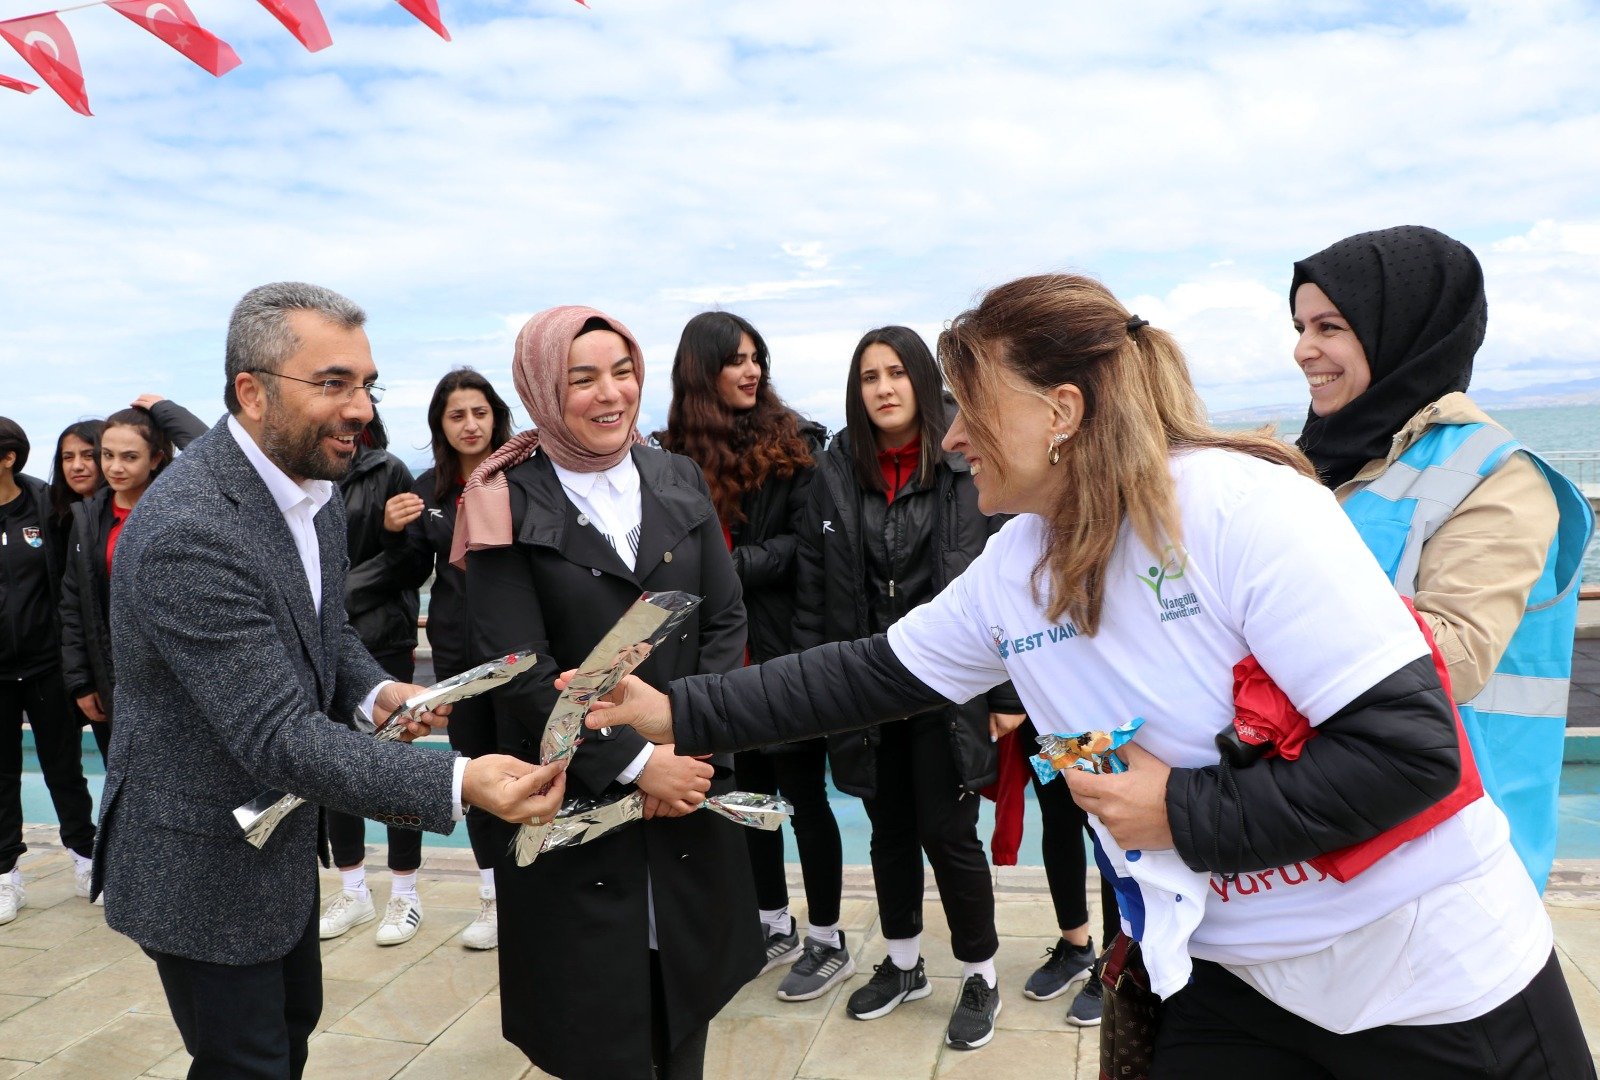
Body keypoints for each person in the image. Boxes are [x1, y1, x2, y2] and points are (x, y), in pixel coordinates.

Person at [581, 274, 1595, 1078]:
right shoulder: (1013, 565)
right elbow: (868, 673)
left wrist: (1179, 812)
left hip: (1430, 979)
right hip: (1230, 976)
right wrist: (676, 709)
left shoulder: (1243, 512)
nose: (953, 437)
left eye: (968, 407)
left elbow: (1411, 755)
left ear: (1060, 410)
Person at [92, 281, 566, 1080]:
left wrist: (377, 692)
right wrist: (462, 782)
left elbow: (327, 631)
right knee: (248, 1062)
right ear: (252, 392)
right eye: (333, 383)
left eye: (366, 384)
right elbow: (277, 735)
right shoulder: (189, 532)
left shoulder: (312, 492)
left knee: (290, 1035)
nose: (360, 408)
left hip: (271, 849)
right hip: (198, 865)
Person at [456, 305, 762, 1080]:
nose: (610, 394)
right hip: (576, 801)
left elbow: (724, 620)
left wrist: (681, 743)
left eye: (622, 372)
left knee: (685, 1009)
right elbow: (520, 666)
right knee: (600, 1028)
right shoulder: (501, 499)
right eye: (581, 378)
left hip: (687, 783)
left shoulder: (675, 475)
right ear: (539, 390)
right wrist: (632, 764)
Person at [1291, 225, 1593, 892]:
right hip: (1339, 829)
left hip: (1459, 853)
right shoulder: (1324, 464)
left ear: (1401, 329)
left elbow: (1451, 660)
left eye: (1329, 326)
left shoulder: (1498, 475)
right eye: (1301, 326)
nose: (1303, 349)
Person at [783, 324, 1021, 1050]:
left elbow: (1012, 581)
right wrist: (817, 688)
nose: (883, 388)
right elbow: (815, 591)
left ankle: (980, 973)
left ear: (922, 379)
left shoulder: (964, 461)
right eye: (868, 377)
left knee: (948, 835)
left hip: (951, 686)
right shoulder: (836, 471)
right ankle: (903, 962)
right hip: (865, 685)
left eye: (895, 373)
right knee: (887, 831)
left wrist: (1008, 698)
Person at [657, 310, 842, 997]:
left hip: (783, 650)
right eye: (735, 359)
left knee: (804, 798)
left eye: (756, 357)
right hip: (713, 661)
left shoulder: (795, 445)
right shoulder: (669, 458)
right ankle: (773, 923)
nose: (752, 369)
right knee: (749, 800)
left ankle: (827, 937)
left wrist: (723, 569)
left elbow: (808, 549)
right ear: (702, 371)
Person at [378, 367, 515, 949]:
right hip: (461, 657)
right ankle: (493, 898)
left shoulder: (524, 477)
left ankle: (536, 888)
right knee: (479, 774)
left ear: (496, 417)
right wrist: (391, 532)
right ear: (440, 423)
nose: (469, 424)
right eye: (456, 415)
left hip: (520, 647)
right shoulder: (428, 489)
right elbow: (409, 574)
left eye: (479, 412)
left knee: (537, 761)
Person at [318, 410, 429, 947]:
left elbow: (414, 566)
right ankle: (354, 890)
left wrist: (389, 534)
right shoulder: (303, 472)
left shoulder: (388, 470)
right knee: (334, 768)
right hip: (320, 647)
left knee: (394, 763)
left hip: (382, 639)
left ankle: (405, 894)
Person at [50, 399, 206, 762]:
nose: (114, 467)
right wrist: (82, 681)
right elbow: (73, 605)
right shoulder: (88, 517)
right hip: (114, 679)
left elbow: (211, 453)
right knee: (122, 779)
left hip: (179, 676)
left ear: (156, 459)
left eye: (130, 457)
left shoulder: (180, 503)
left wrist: (166, 410)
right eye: (106, 455)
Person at [0, 417, 97, 923]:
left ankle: (86, 858)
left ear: (9, 458)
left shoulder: (44, 505)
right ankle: (5, 877)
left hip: (46, 667)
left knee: (64, 769)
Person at [1013, 716, 1122, 1026]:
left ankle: (1114, 964)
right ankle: (1076, 948)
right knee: (1058, 821)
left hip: (1099, 713)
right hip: (1043, 716)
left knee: (1107, 832)